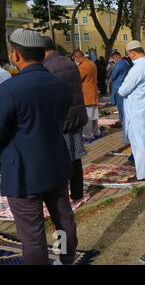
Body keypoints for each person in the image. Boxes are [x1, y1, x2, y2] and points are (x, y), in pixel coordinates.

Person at [0, 28, 77, 265]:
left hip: (24, 173)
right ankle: (66, 258)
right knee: (63, 219)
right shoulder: (59, 85)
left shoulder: (10, 89)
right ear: (43, 54)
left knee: (32, 235)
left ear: (16, 55)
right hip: (56, 164)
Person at [43, 36, 88, 202]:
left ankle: (59, 197)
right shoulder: (70, 63)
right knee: (75, 158)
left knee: (60, 159)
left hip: (61, 120)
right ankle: (77, 193)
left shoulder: (47, 67)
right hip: (76, 116)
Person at [118, 41, 145, 181]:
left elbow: (123, 90)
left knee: (138, 143)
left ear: (132, 53)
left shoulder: (138, 68)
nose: (129, 57)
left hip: (136, 110)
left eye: (129, 55)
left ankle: (141, 175)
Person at [72, 50, 99, 141]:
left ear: (77, 57)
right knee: (94, 116)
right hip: (93, 92)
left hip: (86, 93)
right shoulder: (91, 63)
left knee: (87, 116)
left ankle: (88, 135)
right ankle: (95, 132)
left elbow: (77, 79)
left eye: (75, 59)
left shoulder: (83, 66)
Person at [110, 51, 131, 127]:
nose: (113, 60)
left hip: (118, 86)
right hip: (124, 85)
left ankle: (122, 120)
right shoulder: (126, 63)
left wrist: (111, 79)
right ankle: (124, 119)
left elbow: (114, 75)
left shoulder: (119, 64)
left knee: (120, 105)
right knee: (124, 104)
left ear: (116, 57)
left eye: (113, 58)